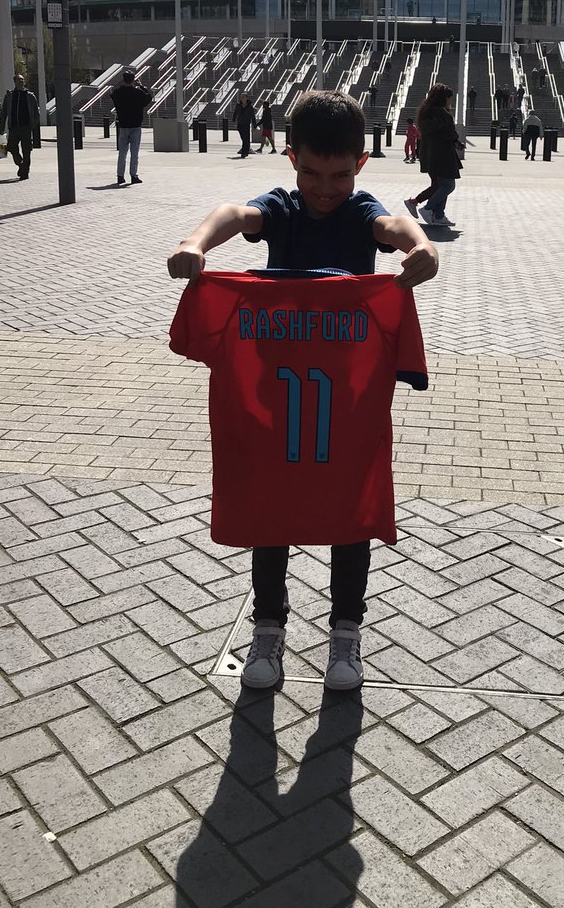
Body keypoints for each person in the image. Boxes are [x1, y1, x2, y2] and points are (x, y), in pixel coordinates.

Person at [166, 90, 439, 692]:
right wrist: (195, 243)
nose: (324, 188)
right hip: (275, 392)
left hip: (347, 397)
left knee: (350, 508)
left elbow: (392, 225)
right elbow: (234, 213)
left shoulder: (359, 209)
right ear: (291, 159)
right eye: (311, 172)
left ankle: (346, 631)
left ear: (360, 164)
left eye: (340, 175)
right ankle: (268, 626)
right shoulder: (284, 208)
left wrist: (420, 245)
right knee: (272, 506)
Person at [405, 83, 461, 227]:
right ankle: (428, 209)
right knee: (448, 185)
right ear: (444, 98)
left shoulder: (426, 113)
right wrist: (455, 138)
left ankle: (438, 214)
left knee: (439, 185)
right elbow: (449, 133)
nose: (450, 101)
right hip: (442, 155)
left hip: (430, 154)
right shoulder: (442, 115)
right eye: (449, 98)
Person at [110, 69, 152, 185]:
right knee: (134, 153)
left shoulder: (118, 93)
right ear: (133, 80)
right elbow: (149, 97)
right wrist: (141, 86)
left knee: (122, 153)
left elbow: (113, 94)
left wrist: (122, 85)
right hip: (135, 125)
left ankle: (120, 176)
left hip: (123, 126)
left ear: (123, 80)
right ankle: (133, 175)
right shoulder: (138, 93)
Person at [0, 76, 39, 179]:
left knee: (26, 150)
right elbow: (4, 113)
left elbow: (36, 113)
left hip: (26, 128)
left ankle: (25, 172)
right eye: (18, 80)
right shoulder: (10, 96)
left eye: (22, 80)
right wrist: (1, 128)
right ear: (14, 82)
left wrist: (32, 125)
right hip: (14, 127)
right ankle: (21, 164)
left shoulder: (30, 96)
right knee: (11, 147)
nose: (21, 81)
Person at [231, 91, 256, 158]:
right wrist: (233, 120)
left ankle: (244, 152)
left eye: (244, 97)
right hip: (240, 124)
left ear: (246, 98)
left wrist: (254, 125)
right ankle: (245, 150)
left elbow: (252, 116)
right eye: (241, 97)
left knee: (246, 139)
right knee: (243, 138)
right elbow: (235, 113)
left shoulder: (250, 106)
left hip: (246, 124)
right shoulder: (238, 105)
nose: (242, 98)